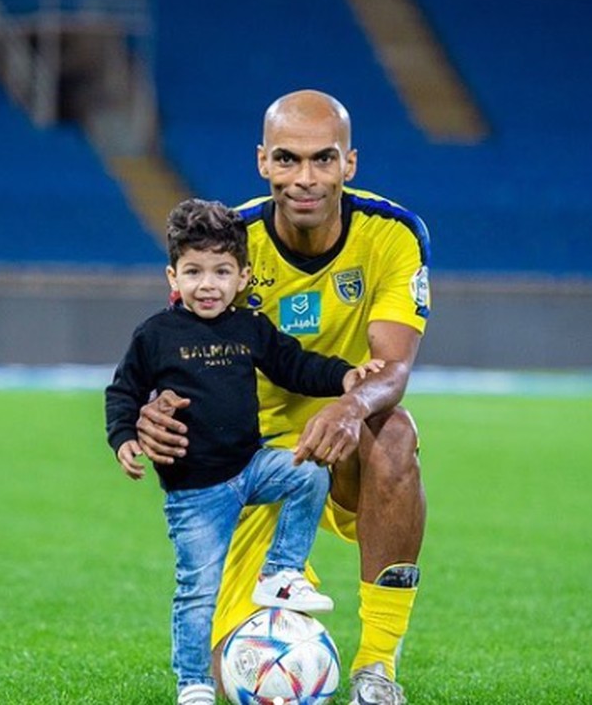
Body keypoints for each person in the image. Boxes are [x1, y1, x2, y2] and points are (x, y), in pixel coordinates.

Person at [135, 90, 431, 705]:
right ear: (262, 162)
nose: (305, 178)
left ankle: (377, 669)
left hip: (342, 443)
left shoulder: (393, 235)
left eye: (323, 160)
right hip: (244, 463)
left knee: (394, 430)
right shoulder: (229, 243)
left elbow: (393, 369)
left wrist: (350, 407)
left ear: (349, 164)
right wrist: (151, 411)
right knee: (238, 676)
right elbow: (173, 354)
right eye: (288, 160)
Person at [105, 198, 384, 705]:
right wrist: (124, 437)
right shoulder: (155, 335)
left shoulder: (248, 328)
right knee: (198, 591)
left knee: (308, 472)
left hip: (250, 465)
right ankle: (192, 682)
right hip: (197, 493)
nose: (206, 284)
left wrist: (345, 375)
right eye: (193, 271)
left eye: (221, 271)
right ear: (173, 276)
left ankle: (282, 573)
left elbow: (293, 364)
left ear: (243, 277)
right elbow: (123, 391)